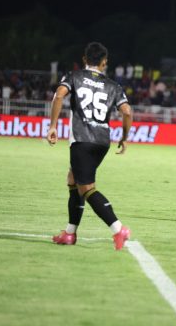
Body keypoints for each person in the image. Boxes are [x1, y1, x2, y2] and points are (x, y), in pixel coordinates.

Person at [47, 42, 133, 250]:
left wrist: (53, 126)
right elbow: (127, 112)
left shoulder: (74, 76)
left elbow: (59, 94)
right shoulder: (113, 85)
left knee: (86, 188)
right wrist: (124, 138)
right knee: (73, 178)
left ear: (84, 59)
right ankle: (70, 233)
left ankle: (118, 228)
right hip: (102, 141)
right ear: (104, 62)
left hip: (82, 139)